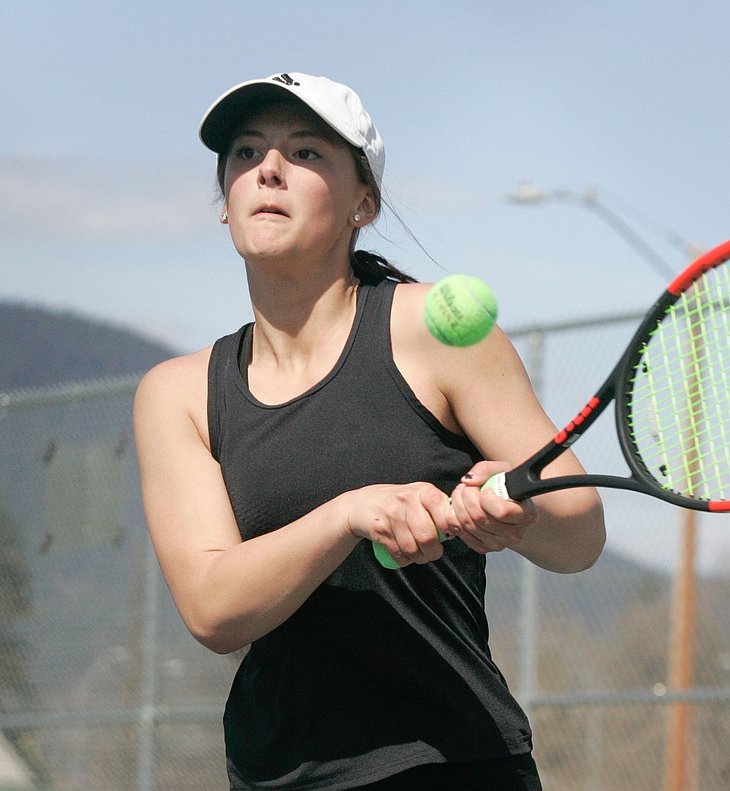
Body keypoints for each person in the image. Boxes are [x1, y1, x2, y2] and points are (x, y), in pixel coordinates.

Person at [133, 72, 606, 790]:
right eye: (246, 152)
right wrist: (349, 515)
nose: (267, 168)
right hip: (276, 774)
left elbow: (580, 531)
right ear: (225, 204)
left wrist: (519, 514)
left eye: (306, 153)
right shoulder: (177, 395)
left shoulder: (434, 331)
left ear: (364, 202)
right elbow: (212, 605)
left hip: (455, 761)